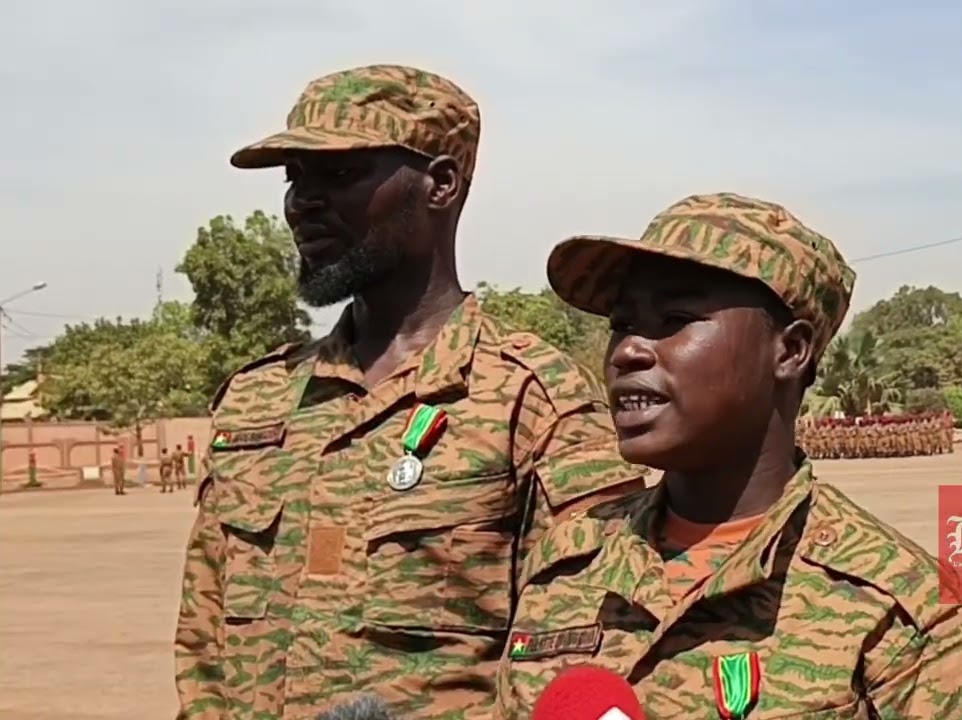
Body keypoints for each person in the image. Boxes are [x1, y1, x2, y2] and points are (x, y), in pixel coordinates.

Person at [173, 64, 647, 720]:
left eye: (339, 175)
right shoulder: (258, 402)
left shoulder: (536, 402)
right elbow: (203, 648)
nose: (301, 203)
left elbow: (582, 657)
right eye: (295, 178)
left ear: (440, 184)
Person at [495, 193, 962, 719]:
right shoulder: (566, 561)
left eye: (676, 319)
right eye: (622, 324)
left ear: (790, 351)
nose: (630, 350)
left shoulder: (901, 614)